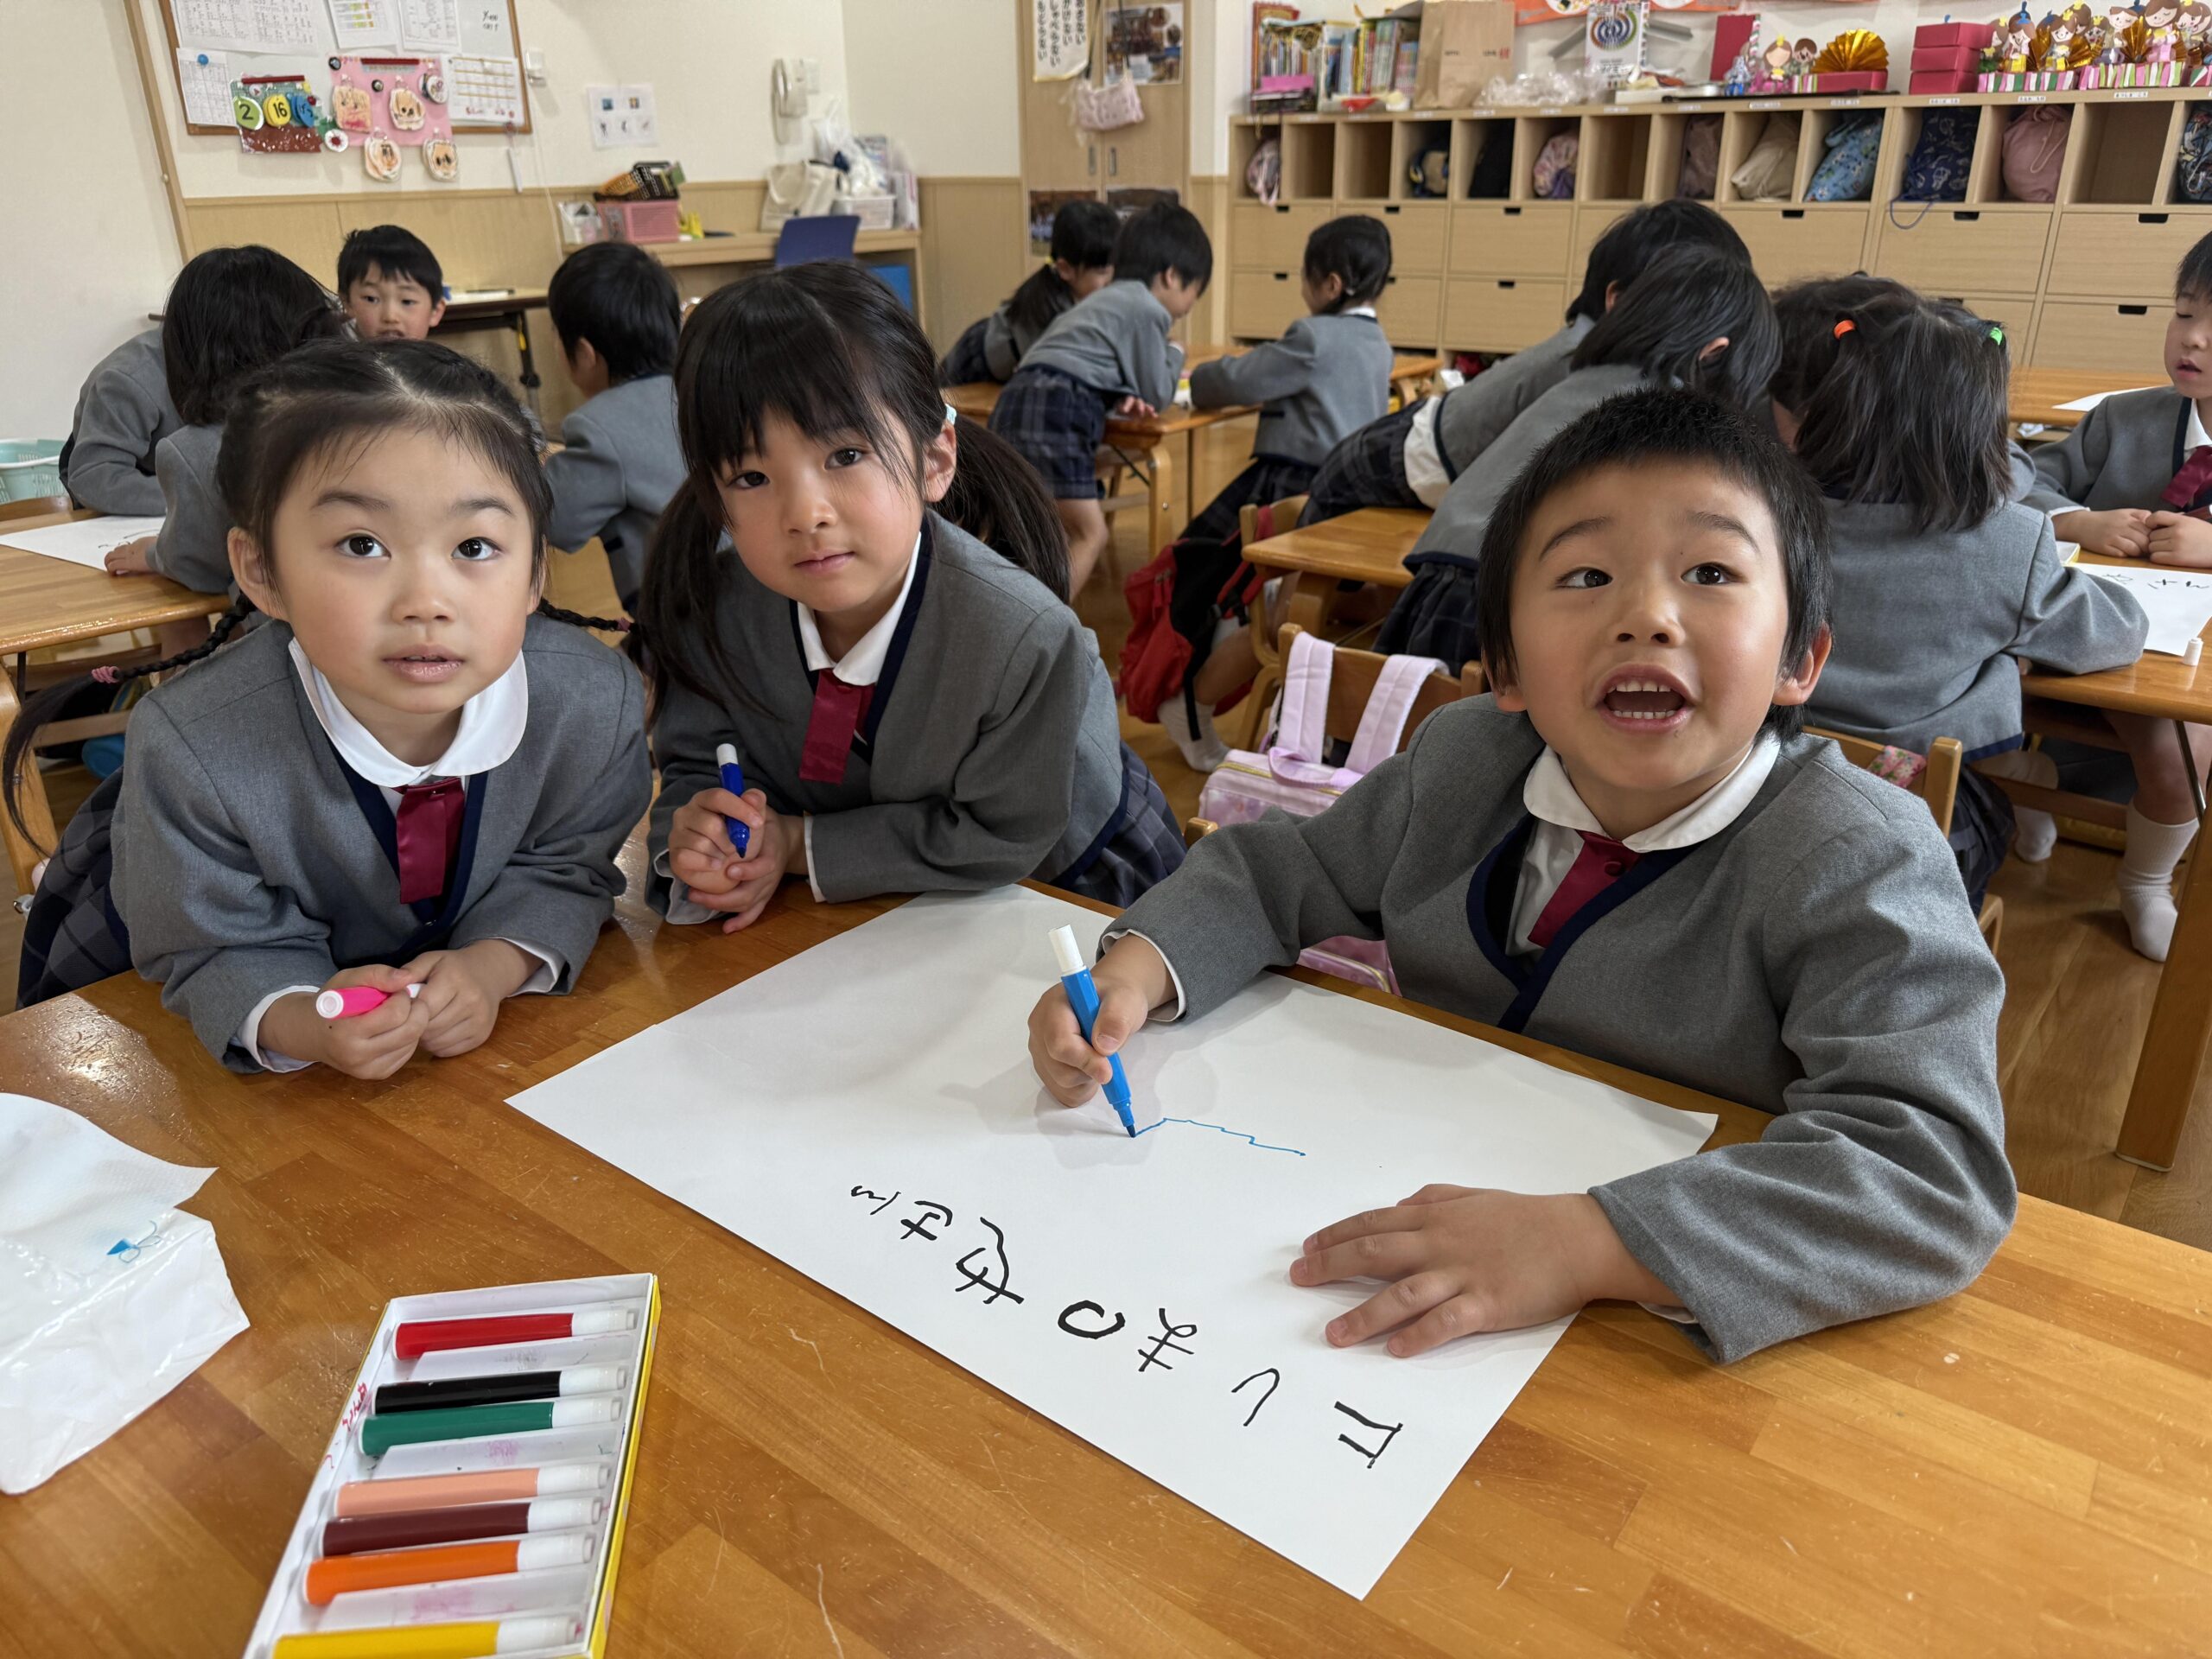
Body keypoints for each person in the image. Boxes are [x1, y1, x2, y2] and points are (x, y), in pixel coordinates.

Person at [1027, 388, 2015, 1367]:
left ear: (1800, 656)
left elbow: (1928, 1170)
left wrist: (1588, 1243)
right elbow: (1279, 871)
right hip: (1405, 1232)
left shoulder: (1859, 857)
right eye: (1585, 576)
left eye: (1710, 571)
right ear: (1504, 666)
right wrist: (1138, 970)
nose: (1646, 616)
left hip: (1655, 1329)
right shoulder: (1467, 760)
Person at [10, 339, 650, 1078]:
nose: (426, 603)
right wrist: (303, 1020)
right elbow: (209, 942)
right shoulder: (195, 747)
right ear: (262, 571)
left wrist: (491, 964)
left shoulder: (591, 703)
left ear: (535, 568)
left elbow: (567, 867)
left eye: (475, 547)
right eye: (362, 544)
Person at [640, 261, 1183, 934]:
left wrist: (800, 846)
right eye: (751, 476)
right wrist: (706, 835)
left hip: (1061, 891)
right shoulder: (712, 611)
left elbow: (1003, 835)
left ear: (935, 460)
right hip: (853, 918)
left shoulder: (1024, 637)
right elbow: (698, 760)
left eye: (845, 456)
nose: (805, 514)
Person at [1776, 283, 2148, 908]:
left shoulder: (1772, 515)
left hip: (1767, 784)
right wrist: (2004, 648)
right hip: (1926, 827)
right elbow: (2116, 634)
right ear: (1982, 428)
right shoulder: (2008, 540)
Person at [1376, 243, 1780, 666]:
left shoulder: (1575, 381)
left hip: (1431, 586)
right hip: (1503, 599)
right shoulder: (1673, 418)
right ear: (1714, 352)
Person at [1296, 200, 1751, 528]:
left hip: (1432, 457)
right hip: (1393, 457)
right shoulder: (1587, 364)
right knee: (1303, 581)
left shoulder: (1617, 360)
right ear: (1620, 298)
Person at [2024, 233, 2212, 957]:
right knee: (1973, 682)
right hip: (2097, 635)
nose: (2192, 339)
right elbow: (2016, 479)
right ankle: (2022, 780)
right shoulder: (2123, 419)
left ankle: (2145, 881)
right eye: (2183, 313)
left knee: (2182, 755)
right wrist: (2078, 519)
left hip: (2186, 667)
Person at [1150, 216, 1396, 768]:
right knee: (1277, 603)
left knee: (1253, 599)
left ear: (1330, 284)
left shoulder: (1314, 336)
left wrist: (1197, 379)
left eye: (1306, 277)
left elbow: (1236, 381)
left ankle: (1194, 697)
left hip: (1296, 487)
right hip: (1351, 500)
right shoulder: (1378, 344)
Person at [990, 201, 1212, 593]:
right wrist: (1176, 350)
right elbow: (1159, 391)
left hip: (1017, 399)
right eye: (1195, 292)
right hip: (1059, 405)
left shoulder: (1100, 300)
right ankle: (1045, 625)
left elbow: (1083, 357)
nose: (1189, 306)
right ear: (1171, 276)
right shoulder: (1146, 308)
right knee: (1088, 533)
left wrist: (1119, 394)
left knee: (1024, 530)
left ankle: (1014, 613)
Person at [92, 248, 335, 592]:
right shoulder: (356, 416)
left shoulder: (196, 450)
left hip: (288, 619)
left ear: (184, 347)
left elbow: (197, 567)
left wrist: (155, 554)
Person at [542, 242, 685, 613]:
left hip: (685, 620)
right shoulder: (697, 389)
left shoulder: (600, 426)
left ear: (585, 353)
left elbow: (554, 519)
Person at [938, 198, 1120, 385]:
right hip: (974, 366)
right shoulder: (1051, 318)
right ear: (1065, 269)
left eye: (1116, 267)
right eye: (1102, 272)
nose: (1112, 280)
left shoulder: (1082, 298)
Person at [338, 224, 448, 340]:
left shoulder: (443, 354)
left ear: (435, 311)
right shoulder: (334, 351)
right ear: (347, 302)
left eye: (407, 301)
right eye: (371, 299)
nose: (390, 317)